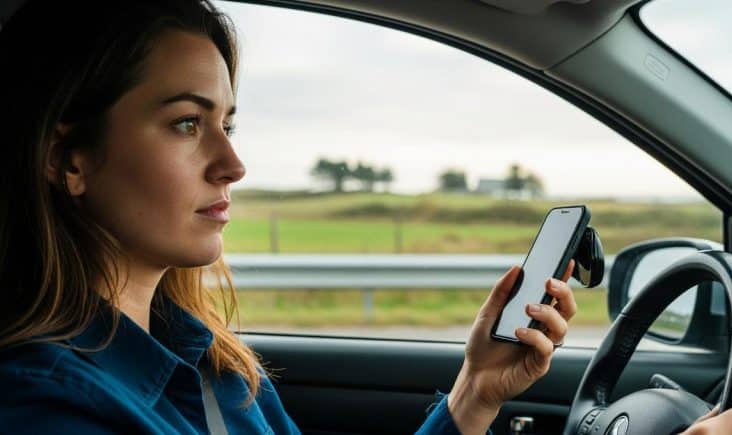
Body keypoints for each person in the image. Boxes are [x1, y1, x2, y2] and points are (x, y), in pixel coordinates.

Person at [0, 1, 576, 434]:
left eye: (226, 125)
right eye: (185, 124)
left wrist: (475, 391)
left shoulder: (215, 364)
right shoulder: (47, 406)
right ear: (67, 160)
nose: (232, 165)